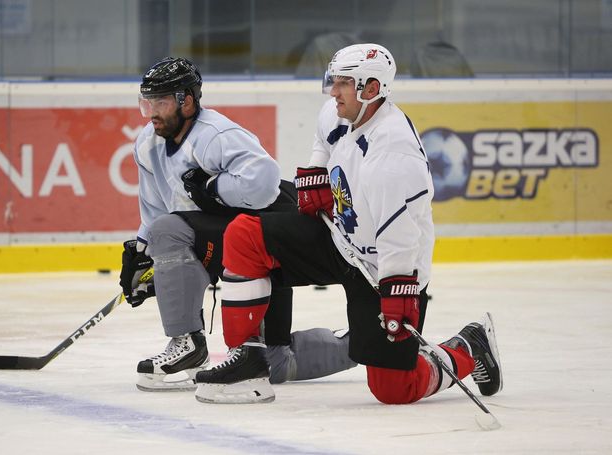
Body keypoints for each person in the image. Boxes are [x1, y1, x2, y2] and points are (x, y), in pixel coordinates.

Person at [194, 44, 503, 404]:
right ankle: (247, 359)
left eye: (343, 83)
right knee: (245, 234)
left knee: (393, 390)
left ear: (371, 89)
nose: (333, 91)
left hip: (383, 267)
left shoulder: (395, 155)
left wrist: (398, 287)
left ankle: (469, 347)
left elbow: (400, 234)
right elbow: (323, 139)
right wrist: (316, 170)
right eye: (334, 80)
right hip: (339, 237)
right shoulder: (339, 112)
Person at [119, 57, 356, 392]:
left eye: (161, 102)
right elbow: (156, 208)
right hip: (233, 233)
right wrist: (143, 250)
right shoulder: (148, 143)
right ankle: (187, 342)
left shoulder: (215, 135)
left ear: (186, 101)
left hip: (272, 226)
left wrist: (213, 188)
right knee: (165, 232)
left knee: (275, 362)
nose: (152, 112)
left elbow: (266, 183)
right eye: (147, 103)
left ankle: (367, 343)